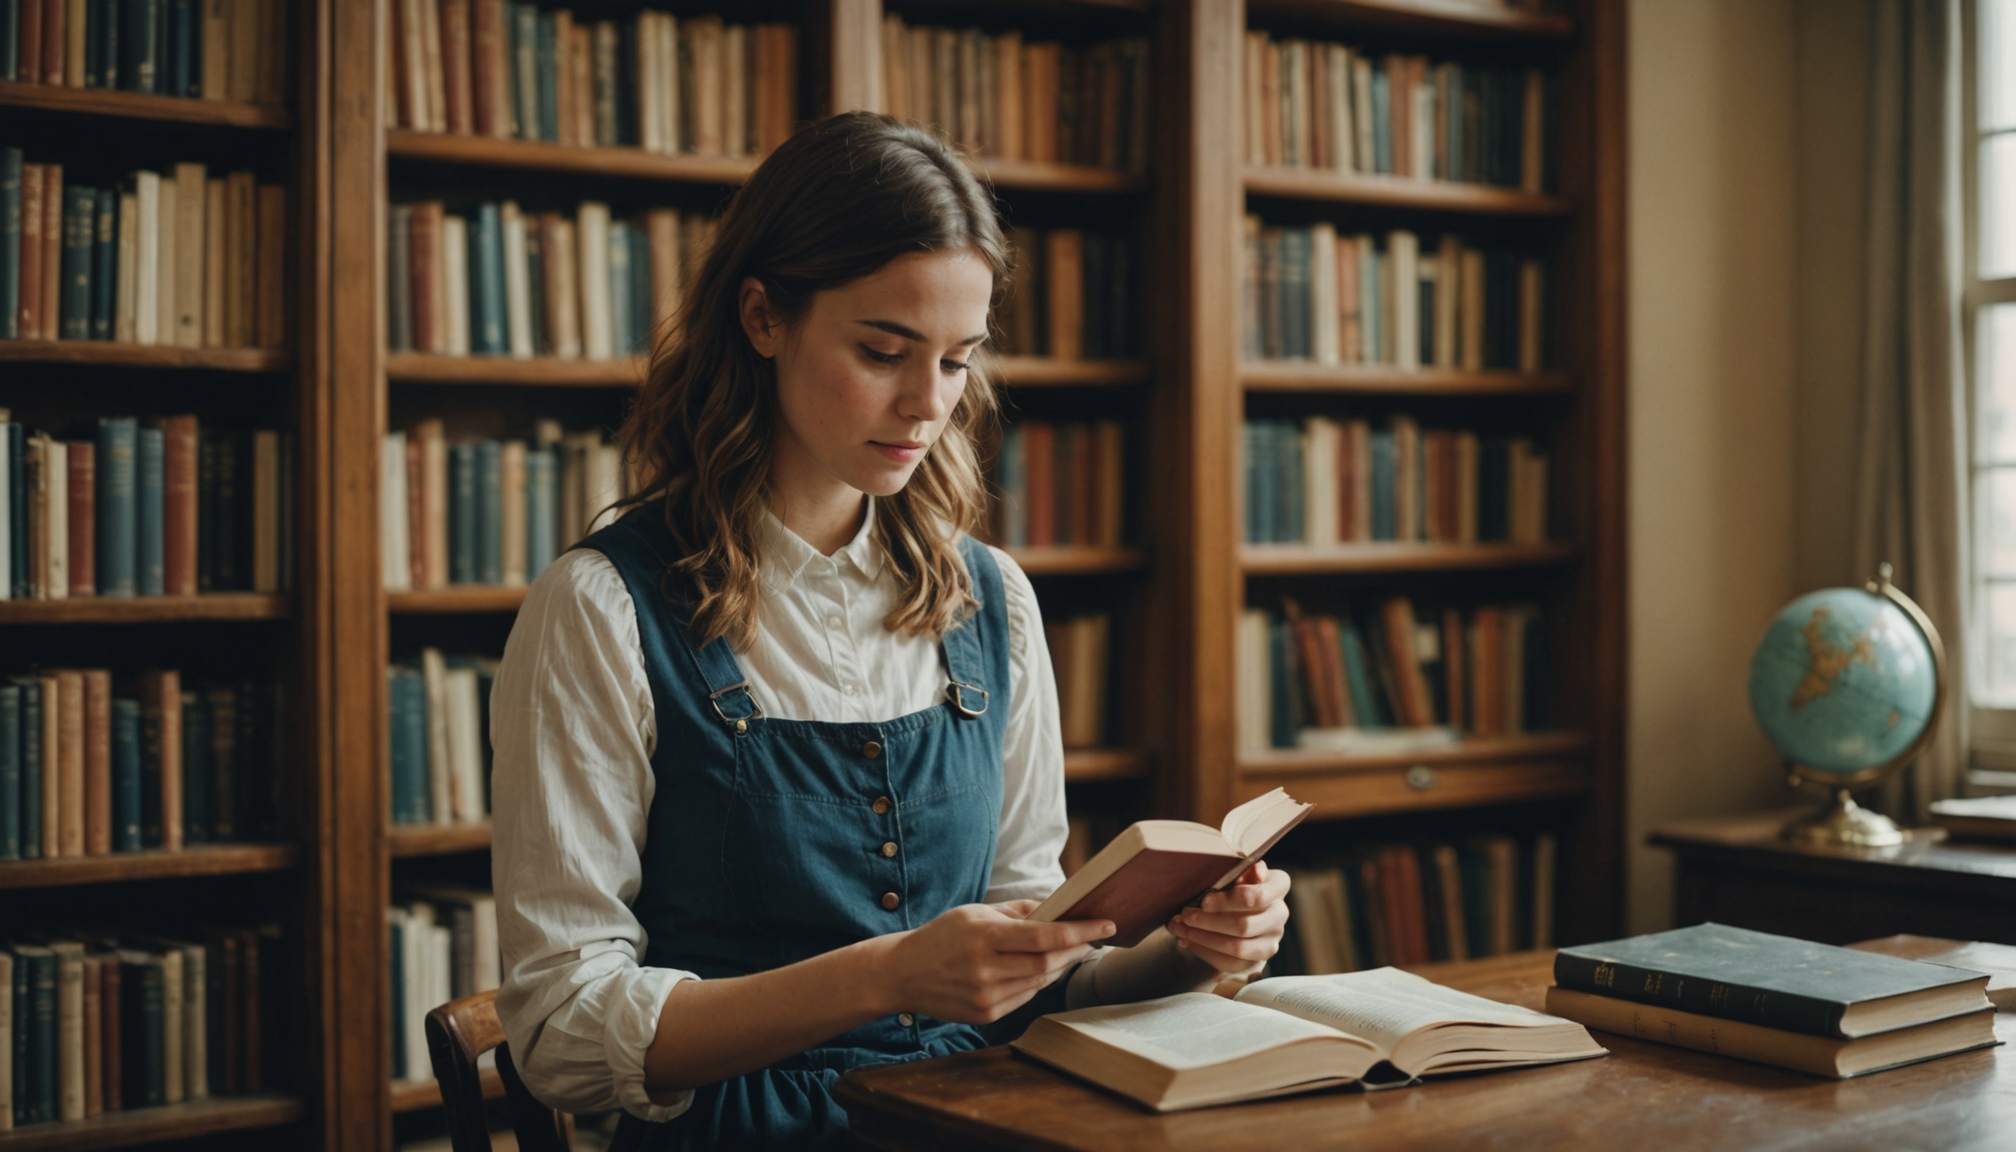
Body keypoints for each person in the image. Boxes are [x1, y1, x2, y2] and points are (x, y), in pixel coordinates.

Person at [490, 110, 1292, 1151]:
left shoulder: (991, 599)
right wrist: (887, 975)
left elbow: (1028, 965)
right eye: (883, 350)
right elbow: (558, 1030)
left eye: (959, 361)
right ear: (763, 317)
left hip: (985, 1120)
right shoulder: (601, 609)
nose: (926, 404)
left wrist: (1195, 952)